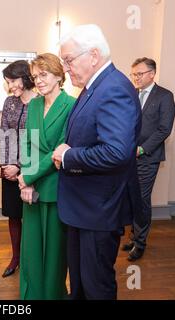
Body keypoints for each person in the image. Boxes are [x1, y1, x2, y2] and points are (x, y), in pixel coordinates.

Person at [53, 24, 141, 300]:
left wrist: (68, 156)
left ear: (92, 55)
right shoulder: (95, 86)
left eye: (68, 60)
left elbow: (116, 152)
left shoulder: (114, 88)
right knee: (79, 283)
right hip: (84, 208)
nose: (66, 68)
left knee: (96, 286)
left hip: (98, 210)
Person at [17, 53, 75, 299]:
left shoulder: (71, 105)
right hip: (31, 188)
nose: (38, 81)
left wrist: (27, 178)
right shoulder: (34, 105)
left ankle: (52, 295)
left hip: (55, 187)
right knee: (30, 250)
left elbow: (59, 151)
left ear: (59, 76)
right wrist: (27, 181)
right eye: (35, 76)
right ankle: (31, 295)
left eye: (44, 75)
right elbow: (27, 143)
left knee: (53, 253)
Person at [121, 57, 175, 261]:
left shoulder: (164, 96)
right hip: (127, 157)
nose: (135, 77)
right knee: (130, 197)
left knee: (142, 200)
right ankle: (133, 236)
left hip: (147, 157)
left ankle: (141, 242)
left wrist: (142, 149)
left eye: (139, 74)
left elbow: (164, 129)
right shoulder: (131, 94)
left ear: (152, 74)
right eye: (133, 74)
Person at [0, 60, 37, 278]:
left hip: (32, 172)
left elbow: (38, 142)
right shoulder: (10, 102)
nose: (10, 85)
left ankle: (31, 261)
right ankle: (16, 257)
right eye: (7, 81)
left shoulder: (41, 102)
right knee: (13, 216)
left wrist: (20, 167)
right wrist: (7, 166)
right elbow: (5, 135)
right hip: (9, 172)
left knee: (31, 218)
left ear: (25, 77)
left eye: (12, 80)